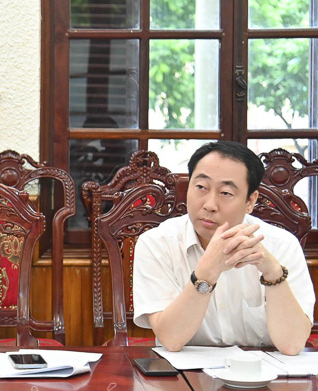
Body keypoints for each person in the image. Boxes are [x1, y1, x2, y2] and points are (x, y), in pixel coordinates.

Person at [133, 141, 314, 355]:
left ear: (250, 201)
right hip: (186, 373)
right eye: (201, 187)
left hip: (263, 371)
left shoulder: (281, 245)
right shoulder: (156, 244)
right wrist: (208, 271)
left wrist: (273, 273)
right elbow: (171, 340)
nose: (209, 205)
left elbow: (292, 346)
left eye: (226, 193)